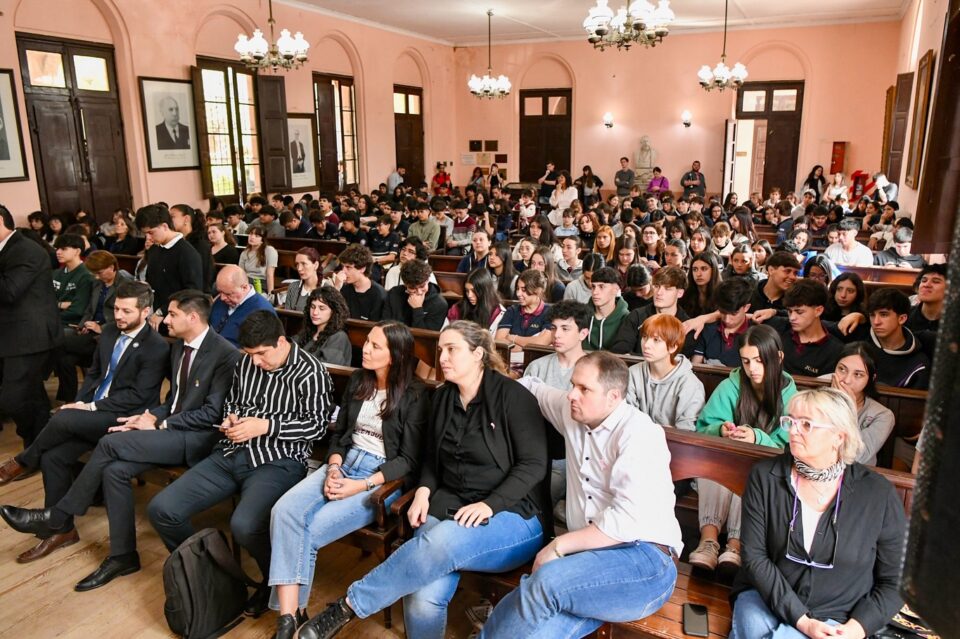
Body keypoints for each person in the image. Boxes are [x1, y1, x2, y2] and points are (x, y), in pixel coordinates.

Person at [297, 321, 548, 639]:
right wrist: (424, 492)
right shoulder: (442, 398)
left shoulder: (513, 397)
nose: (442, 358)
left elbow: (534, 465)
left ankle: (348, 606)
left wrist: (489, 504)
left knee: (441, 543)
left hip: (511, 513)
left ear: (478, 354)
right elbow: (431, 457)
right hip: (450, 503)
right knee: (421, 598)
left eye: (452, 350)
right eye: (440, 350)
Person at [0, 290, 239, 584]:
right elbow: (174, 400)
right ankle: (123, 556)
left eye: (172, 314)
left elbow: (211, 414)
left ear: (192, 317)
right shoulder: (180, 345)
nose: (164, 320)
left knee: (109, 443)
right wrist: (148, 417)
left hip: (195, 439)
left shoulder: (225, 354)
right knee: (115, 471)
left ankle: (57, 517)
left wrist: (159, 423)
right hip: (169, 428)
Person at [148, 311, 334, 616]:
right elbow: (234, 402)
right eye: (250, 354)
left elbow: (316, 426)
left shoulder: (310, 371)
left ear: (281, 341)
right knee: (162, 509)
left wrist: (267, 426)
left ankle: (272, 587)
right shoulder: (247, 362)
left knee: (245, 526)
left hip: (278, 461)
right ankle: (215, 575)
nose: (255, 361)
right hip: (231, 452)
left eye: (261, 354)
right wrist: (231, 418)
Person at [484, 351, 682, 638]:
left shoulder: (639, 434)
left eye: (584, 389)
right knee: (539, 631)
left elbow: (624, 522)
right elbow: (533, 387)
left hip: (646, 559)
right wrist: (482, 380)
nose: (571, 395)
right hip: (588, 560)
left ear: (613, 397)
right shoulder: (573, 411)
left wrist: (557, 546)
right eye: (572, 385)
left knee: (545, 581)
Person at [269, 322, 428, 638]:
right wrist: (333, 468)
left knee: (307, 530)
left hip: (380, 477)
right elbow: (340, 435)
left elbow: (408, 460)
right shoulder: (359, 380)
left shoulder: (415, 393)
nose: (365, 349)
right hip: (345, 462)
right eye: (366, 342)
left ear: (396, 355)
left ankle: (289, 623)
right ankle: (289, 619)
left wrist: (361, 485)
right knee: (282, 511)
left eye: (375, 346)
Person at [0, 280, 169, 552]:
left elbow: (138, 397)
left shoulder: (156, 346)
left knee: (62, 418)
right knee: (53, 457)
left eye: (126, 311)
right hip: (95, 414)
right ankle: (61, 530)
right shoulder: (110, 332)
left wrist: (88, 408)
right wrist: (80, 402)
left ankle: (22, 461)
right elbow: (94, 374)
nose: (118, 316)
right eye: (116, 309)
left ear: (145, 311)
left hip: (125, 418)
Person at [730, 388, 906, 639]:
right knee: (758, 629)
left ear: (838, 436)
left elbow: (895, 580)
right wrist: (803, 622)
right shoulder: (765, 476)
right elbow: (755, 558)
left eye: (806, 424)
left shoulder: (878, 493)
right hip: (766, 598)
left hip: (840, 615)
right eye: (791, 421)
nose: (793, 430)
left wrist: (856, 629)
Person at [690, 325, 798, 572]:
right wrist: (722, 430)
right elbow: (705, 426)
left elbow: (788, 446)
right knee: (713, 465)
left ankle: (736, 545)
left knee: (752, 473)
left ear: (779, 357)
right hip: (727, 457)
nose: (752, 369)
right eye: (746, 361)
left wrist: (757, 437)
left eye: (759, 360)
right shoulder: (731, 384)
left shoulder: (792, 396)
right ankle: (708, 541)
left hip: (768, 467)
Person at [0, 206, 63, 446]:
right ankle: (40, 447)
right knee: (32, 397)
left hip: (28, 336)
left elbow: (9, 291)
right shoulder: (9, 249)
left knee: (13, 399)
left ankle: (39, 444)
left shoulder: (25, 250)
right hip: (13, 335)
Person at [52, 251, 132, 401]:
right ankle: (70, 401)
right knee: (64, 360)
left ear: (111, 267)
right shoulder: (97, 283)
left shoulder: (125, 285)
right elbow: (89, 309)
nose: (96, 276)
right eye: (94, 273)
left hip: (109, 334)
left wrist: (101, 328)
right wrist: (83, 324)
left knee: (57, 341)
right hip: (89, 333)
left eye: (99, 273)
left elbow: (128, 317)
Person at [626, 315, 705, 431]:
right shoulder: (632, 373)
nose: (646, 345)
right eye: (645, 337)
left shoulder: (691, 384)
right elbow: (626, 418)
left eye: (656, 340)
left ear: (673, 347)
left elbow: (686, 430)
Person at [755, 280, 845, 378]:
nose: (792, 317)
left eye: (799, 312)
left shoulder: (836, 351)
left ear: (818, 310)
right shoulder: (778, 328)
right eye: (789, 311)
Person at [135, 204, 203, 329]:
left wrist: (163, 311)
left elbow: (193, 292)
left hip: (176, 318)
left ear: (165, 226)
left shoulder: (187, 253)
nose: (148, 238)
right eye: (145, 233)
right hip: (153, 313)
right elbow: (151, 281)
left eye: (151, 232)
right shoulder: (154, 249)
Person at [830, 343, 895, 466]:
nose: (847, 380)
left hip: (856, 475)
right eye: (842, 369)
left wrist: (848, 409)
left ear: (872, 378)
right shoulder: (817, 399)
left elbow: (857, 457)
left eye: (858, 374)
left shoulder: (883, 415)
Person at [610, 266, 689, 355]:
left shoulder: (686, 325)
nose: (659, 293)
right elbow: (620, 352)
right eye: (656, 286)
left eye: (667, 289)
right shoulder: (636, 316)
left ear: (680, 293)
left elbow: (683, 358)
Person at [864, 289, 930, 389]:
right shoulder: (861, 345)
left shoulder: (919, 363)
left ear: (902, 319)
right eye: (872, 315)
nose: (876, 322)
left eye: (884, 314)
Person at [209, 265, 277, 347]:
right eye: (220, 292)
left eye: (228, 294)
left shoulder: (262, 311)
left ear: (244, 287)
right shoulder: (221, 300)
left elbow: (260, 350)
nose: (222, 298)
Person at [692, 277, 754, 367]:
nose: (727, 320)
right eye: (723, 312)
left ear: (746, 308)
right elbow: (695, 365)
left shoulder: (756, 334)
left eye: (733, 314)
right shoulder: (707, 329)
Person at [496, 269, 553, 352]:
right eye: (517, 288)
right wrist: (529, 347)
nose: (518, 294)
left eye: (524, 290)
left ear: (538, 291)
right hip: (511, 359)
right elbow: (500, 342)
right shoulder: (512, 311)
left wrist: (513, 338)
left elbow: (542, 342)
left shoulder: (550, 312)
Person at [294, 287, 352, 366]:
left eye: (321, 308)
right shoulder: (308, 331)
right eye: (313, 307)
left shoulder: (339, 337)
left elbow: (326, 368)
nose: (315, 312)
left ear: (334, 311)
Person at [383, 259, 447, 331]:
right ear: (405, 284)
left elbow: (426, 335)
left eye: (422, 286)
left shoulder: (440, 304)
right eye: (412, 288)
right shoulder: (394, 294)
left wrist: (417, 309)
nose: (419, 292)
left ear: (428, 280)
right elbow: (385, 325)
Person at [52, 234, 95, 329]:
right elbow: (44, 301)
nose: (58, 252)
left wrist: (54, 306)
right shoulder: (55, 273)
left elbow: (77, 310)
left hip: (70, 324)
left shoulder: (86, 276)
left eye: (63, 249)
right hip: (52, 319)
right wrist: (61, 305)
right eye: (57, 248)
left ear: (77, 251)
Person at [334, 244, 386, 321]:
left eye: (348, 267)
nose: (343, 271)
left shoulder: (378, 294)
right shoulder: (343, 288)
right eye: (343, 266)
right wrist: (336, 288)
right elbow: (334, 317)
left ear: (362, 269)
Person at [584, 266, 630, 351]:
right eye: (593, 287)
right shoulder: (581, 314)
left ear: (616, 289)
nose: (595, 292)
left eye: (601, 287)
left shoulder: (627, 319)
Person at [170, 204, 214, 293]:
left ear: (186, 219)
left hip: (195, 293)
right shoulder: (175, 242)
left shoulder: (200, 245)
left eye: (172, 217)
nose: (169, 221)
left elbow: (202, 276)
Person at [446, 267, 505, 333]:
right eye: (467, 291)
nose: (469, 295)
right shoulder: (456, 309)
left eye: (474, 291)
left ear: (484, 291)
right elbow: (445, 332)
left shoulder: (498, 312)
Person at [907, 263, 945, 333]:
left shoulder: (954, 322)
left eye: (935, 281)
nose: (926, 285)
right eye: (924, 281)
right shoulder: (905, 315)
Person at [284, 248, 323, 312]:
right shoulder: (293, 287)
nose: (299, 268)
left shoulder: (326, 288)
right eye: (297, 264)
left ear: (316, 265)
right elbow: (286, 315)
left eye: (304, 264)